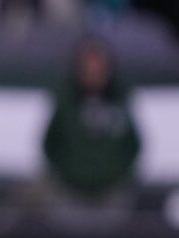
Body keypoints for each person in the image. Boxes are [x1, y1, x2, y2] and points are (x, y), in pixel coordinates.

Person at [43, 36, 140, 209]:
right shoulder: (66, 101)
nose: (94, 72)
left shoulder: (120, 99)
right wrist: (66, 175)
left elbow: (133, 145)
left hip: (113, 194)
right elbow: (50, 144)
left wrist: (118, 175)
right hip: (70, 193)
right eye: (88, 68)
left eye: (99, 67)